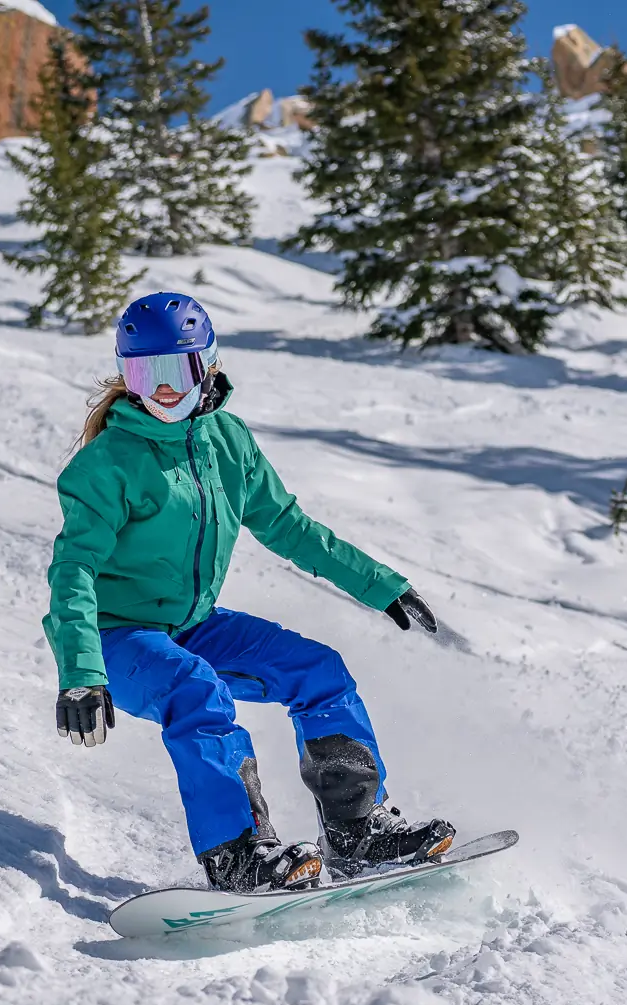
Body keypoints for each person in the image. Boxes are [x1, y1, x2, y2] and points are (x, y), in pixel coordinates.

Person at [43, 293, 454, 893]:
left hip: (191, 624)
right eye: (142, 373)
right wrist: (80, 671)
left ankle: (356, 831)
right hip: (114, 638)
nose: (160, 391)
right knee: (196, 690)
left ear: (206, 365)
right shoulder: (108, 463)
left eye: (174, 371)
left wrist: (382, 586)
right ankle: (237, 854)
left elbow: (288, 526)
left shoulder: (227, 441)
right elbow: (72, 571)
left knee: (318, 670)